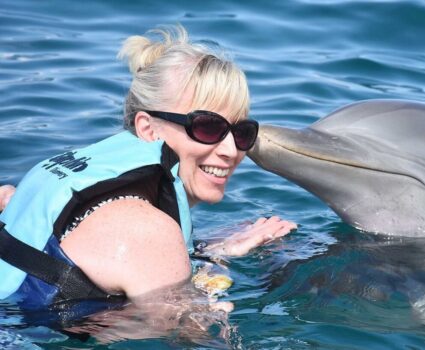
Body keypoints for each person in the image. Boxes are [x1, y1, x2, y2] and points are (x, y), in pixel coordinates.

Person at [0, 25, 296, 311]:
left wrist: (208, 251)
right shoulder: (151, 233)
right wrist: (216, 269)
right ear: (148, 128)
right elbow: (191, 339)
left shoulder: (48, 181)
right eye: (208, 127)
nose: (232, 150)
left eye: (242, 132)